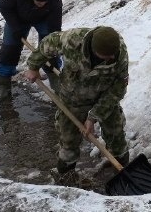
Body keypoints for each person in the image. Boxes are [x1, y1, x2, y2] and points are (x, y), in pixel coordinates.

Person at [23, 26, 130, 178]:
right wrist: (33, 67)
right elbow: (47, 44)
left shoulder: (120, 55)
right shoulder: (73, 40)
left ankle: (122, 169)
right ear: (93, 49)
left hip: (104, 98)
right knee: (68, 140)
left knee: (116, 133)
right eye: (106, 56)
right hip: (73, 99)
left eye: (112, 55)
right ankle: (66, 176)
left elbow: (117, 90)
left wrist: (93, 117)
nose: (111, 58)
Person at [0, 0, 62, 100]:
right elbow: (4, 5)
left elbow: (55, 29)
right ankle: (4, 85)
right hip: (17, 18)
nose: (40, 4)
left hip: (43, 19)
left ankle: (55, 81)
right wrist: (15, 27)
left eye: (43, 2)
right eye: (37, 1)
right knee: (10, 49)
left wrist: (50, 42)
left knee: (50, 48)